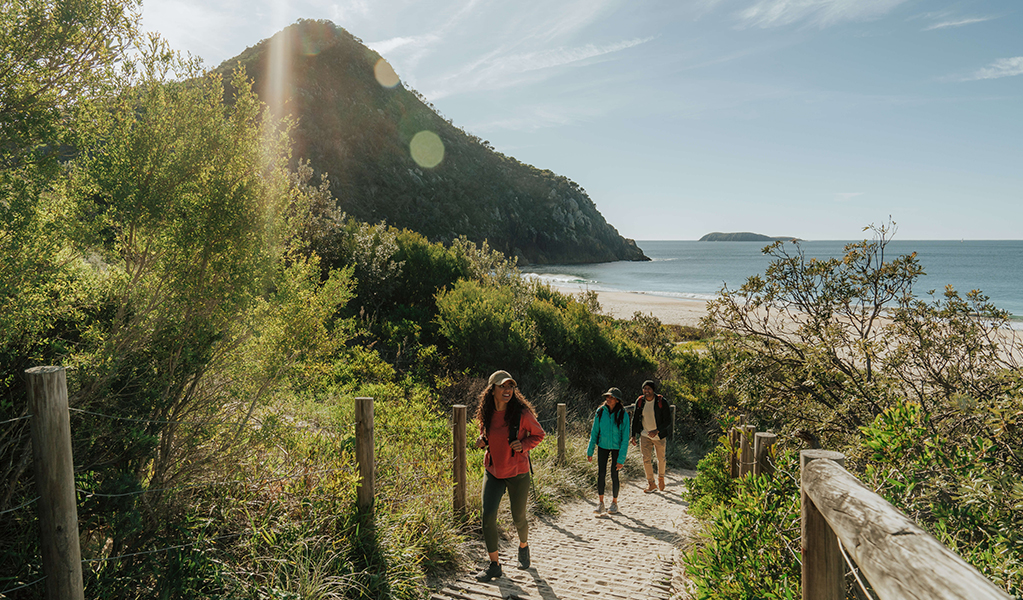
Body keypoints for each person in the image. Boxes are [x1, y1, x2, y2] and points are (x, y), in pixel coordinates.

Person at [473, 370, 545, 582]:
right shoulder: (486, 412)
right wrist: (483, 441)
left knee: (518, 518)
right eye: (502, 386)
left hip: (517, 473)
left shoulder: (521, 414)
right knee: (487, 517)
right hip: (494, 471)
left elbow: (539, 434)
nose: (507, 390)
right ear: (492, 390)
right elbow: (488, 434)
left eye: (510, 386)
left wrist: (523, 445)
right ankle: (494, 565)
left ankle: (523, 546)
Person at [587, 387, 630, 516]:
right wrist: (590, 450)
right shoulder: (600, 412)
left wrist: (621, 459)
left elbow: (625, 438)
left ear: (617, 400)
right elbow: (594, 432)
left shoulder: (623, 415)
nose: (608, 399)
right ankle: (600, 503)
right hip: (602, 447)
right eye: (607, 396)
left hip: (617, 448)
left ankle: (614, 503)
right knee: (601, 473)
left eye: (611, 397)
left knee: (614, 474)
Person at [631, 379, 673, 492]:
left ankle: (661, 477)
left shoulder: (661, 401)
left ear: (653, 390)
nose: (646, 391)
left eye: (649, 388)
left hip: (659, 436)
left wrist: (657, 430)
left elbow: (668, 420)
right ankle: (651, 483)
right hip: (645, 434)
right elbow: (635, 418)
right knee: (646, 459)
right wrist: (633, 435)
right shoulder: (640, 401)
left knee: (661, 458)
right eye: (644, 388)